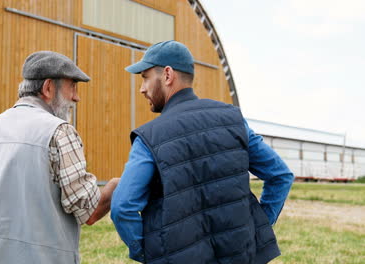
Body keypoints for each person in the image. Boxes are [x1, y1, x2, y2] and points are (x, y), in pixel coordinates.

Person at [110, 40, 294, 264]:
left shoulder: (149, 136)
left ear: (167, 75)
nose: (142, 88)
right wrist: (259, 226)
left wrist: (146, 252)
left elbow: (122, 207)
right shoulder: (234, 120)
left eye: (145, 77)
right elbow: (280, 175)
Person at [0, 51, 119, 264]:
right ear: (49, 87)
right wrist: (117, 186)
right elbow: (88, 210)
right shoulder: (60, 131)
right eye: (73, 86)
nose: (76, 97)